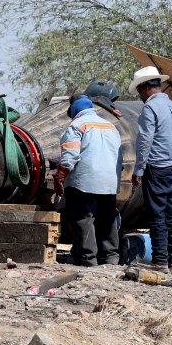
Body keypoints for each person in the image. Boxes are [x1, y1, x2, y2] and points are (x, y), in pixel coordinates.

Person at [129, 66, 172, 272]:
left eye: (139, 91)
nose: (140, 96)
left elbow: (145, 140)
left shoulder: (150, 108)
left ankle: (160, 261)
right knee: (171, 214)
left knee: (157, 215)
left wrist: (138, 169)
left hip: (155, 168)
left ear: (146, 88)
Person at [55, 94, 122, 266]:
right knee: (107, 220)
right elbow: (119, 157)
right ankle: (110, 257)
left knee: (84, 219)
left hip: (85, 182)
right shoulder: (110, 126)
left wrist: (61, 175)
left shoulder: (77, 125)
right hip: (109, 182)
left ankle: (87, 258)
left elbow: (70, 154)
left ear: (74, 109)